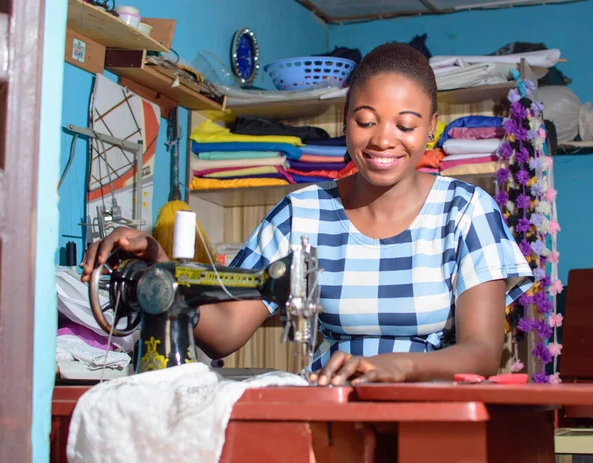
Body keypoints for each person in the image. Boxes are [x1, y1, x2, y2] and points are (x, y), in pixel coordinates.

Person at [82, 42, 533, 386]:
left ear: (431, 128)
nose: (382, 139)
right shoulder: (302, 213)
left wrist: (395, 366)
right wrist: (163, 271)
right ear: (344, 119)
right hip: (328, 401)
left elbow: (482, 350)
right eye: (366, 119)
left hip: (431, 413)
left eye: (406, 125)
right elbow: (225, 332)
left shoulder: (466, 211)